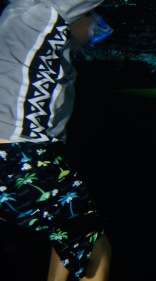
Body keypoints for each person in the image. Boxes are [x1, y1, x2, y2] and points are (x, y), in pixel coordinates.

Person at [0, 0, 113, 280]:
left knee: (70, 234)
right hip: (21, 158)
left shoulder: (29, 33)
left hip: (17, 160)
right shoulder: (43, 11)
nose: (91, 38)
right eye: (94, 27)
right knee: (94, 249)